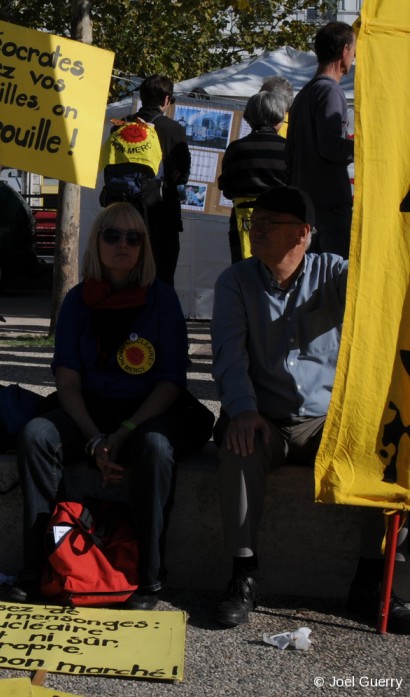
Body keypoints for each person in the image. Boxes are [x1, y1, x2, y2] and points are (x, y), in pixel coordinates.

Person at [210, 185, 408, 632]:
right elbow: (229, 356)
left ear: (302, 233)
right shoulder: (235, 281)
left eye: (267, 223)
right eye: (253, 222)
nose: (255, 230)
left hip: (327, 423)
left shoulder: (335, 273)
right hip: (267, 419)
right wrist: (242, 409)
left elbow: (380, 292)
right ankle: (243, 575)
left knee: (389, 453)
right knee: (238, 446)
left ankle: (373, 581)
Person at [15, 202, 213, 609]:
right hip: (90, 411)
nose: (123, 244)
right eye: (113, 235)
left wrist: (123, 433)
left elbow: (171, 382)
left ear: (143, 247)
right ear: (97, 241)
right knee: (36, 435)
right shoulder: (77, 301)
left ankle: (149, 577)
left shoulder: (162, 299)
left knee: (155, 448)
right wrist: (95, 440)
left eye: (133, 238)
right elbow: (67, 382)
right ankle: (41, 564)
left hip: (149, 411)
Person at [286, 21, 355, 259]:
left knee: (311, 273)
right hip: (329, 203)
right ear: (345, 50)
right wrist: (368, 147)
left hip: (306, 202)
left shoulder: (304, 94)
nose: (354, 57)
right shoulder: (329, 91)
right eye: (354, 50)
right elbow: (330, 147)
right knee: (337, 272)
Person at [128, 75, 191, 286]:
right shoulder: (174, 129)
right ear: (166, 99)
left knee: (129, 277)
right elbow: (180, 174)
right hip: (162, 214)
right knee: (162, 278)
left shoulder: (122, 125)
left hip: (125, 212)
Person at [218, 90, 289, 263]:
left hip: (242, 223)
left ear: (249, 116)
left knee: (244, 274)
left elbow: (226, 189)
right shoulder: (289, 149)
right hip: (282, 223)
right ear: (278, 117)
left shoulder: (236, 149)